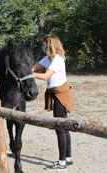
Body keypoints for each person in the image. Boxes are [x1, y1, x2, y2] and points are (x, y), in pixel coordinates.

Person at [32, 34, 74, 171]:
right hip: (55, 93)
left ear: (50, 45)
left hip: (60, 94)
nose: (43, 46)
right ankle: (68, 158)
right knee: (63, 126)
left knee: (60, 127)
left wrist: (27, 75)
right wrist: (25, 69)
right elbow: (33, 68)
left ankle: (62, 162)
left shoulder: (57, 60)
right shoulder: (48, 59)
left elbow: (44, 76)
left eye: (45, 44)